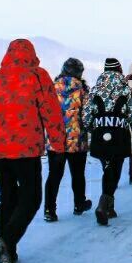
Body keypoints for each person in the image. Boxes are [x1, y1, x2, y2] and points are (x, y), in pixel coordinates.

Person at [0, 39, 66, 263]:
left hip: (0, 153)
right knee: (32, 198)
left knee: (8, 199)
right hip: (26, 151)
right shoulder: (37, 76)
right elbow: (51, 112)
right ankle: (7, 239)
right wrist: (59, 145)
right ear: (31, 54)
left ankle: (8, 254)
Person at [84, 58, 132, 225]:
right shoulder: (125, 89)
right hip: (119, 135)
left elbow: (86, 117)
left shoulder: (95, 89)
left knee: (107, 168)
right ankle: (104, 205)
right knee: (114, 170)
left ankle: (109, 207)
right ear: (119, 70)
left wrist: (93, 129)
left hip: (100, 135)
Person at [44, 57, 92, 221]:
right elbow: (87, 117)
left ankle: (49, 210)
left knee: (54, 175)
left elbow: (46, 114)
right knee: (78, 174)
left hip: (55, 140)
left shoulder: (51, 89)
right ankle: (79, 204)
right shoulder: (82, 91)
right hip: (76, 140)